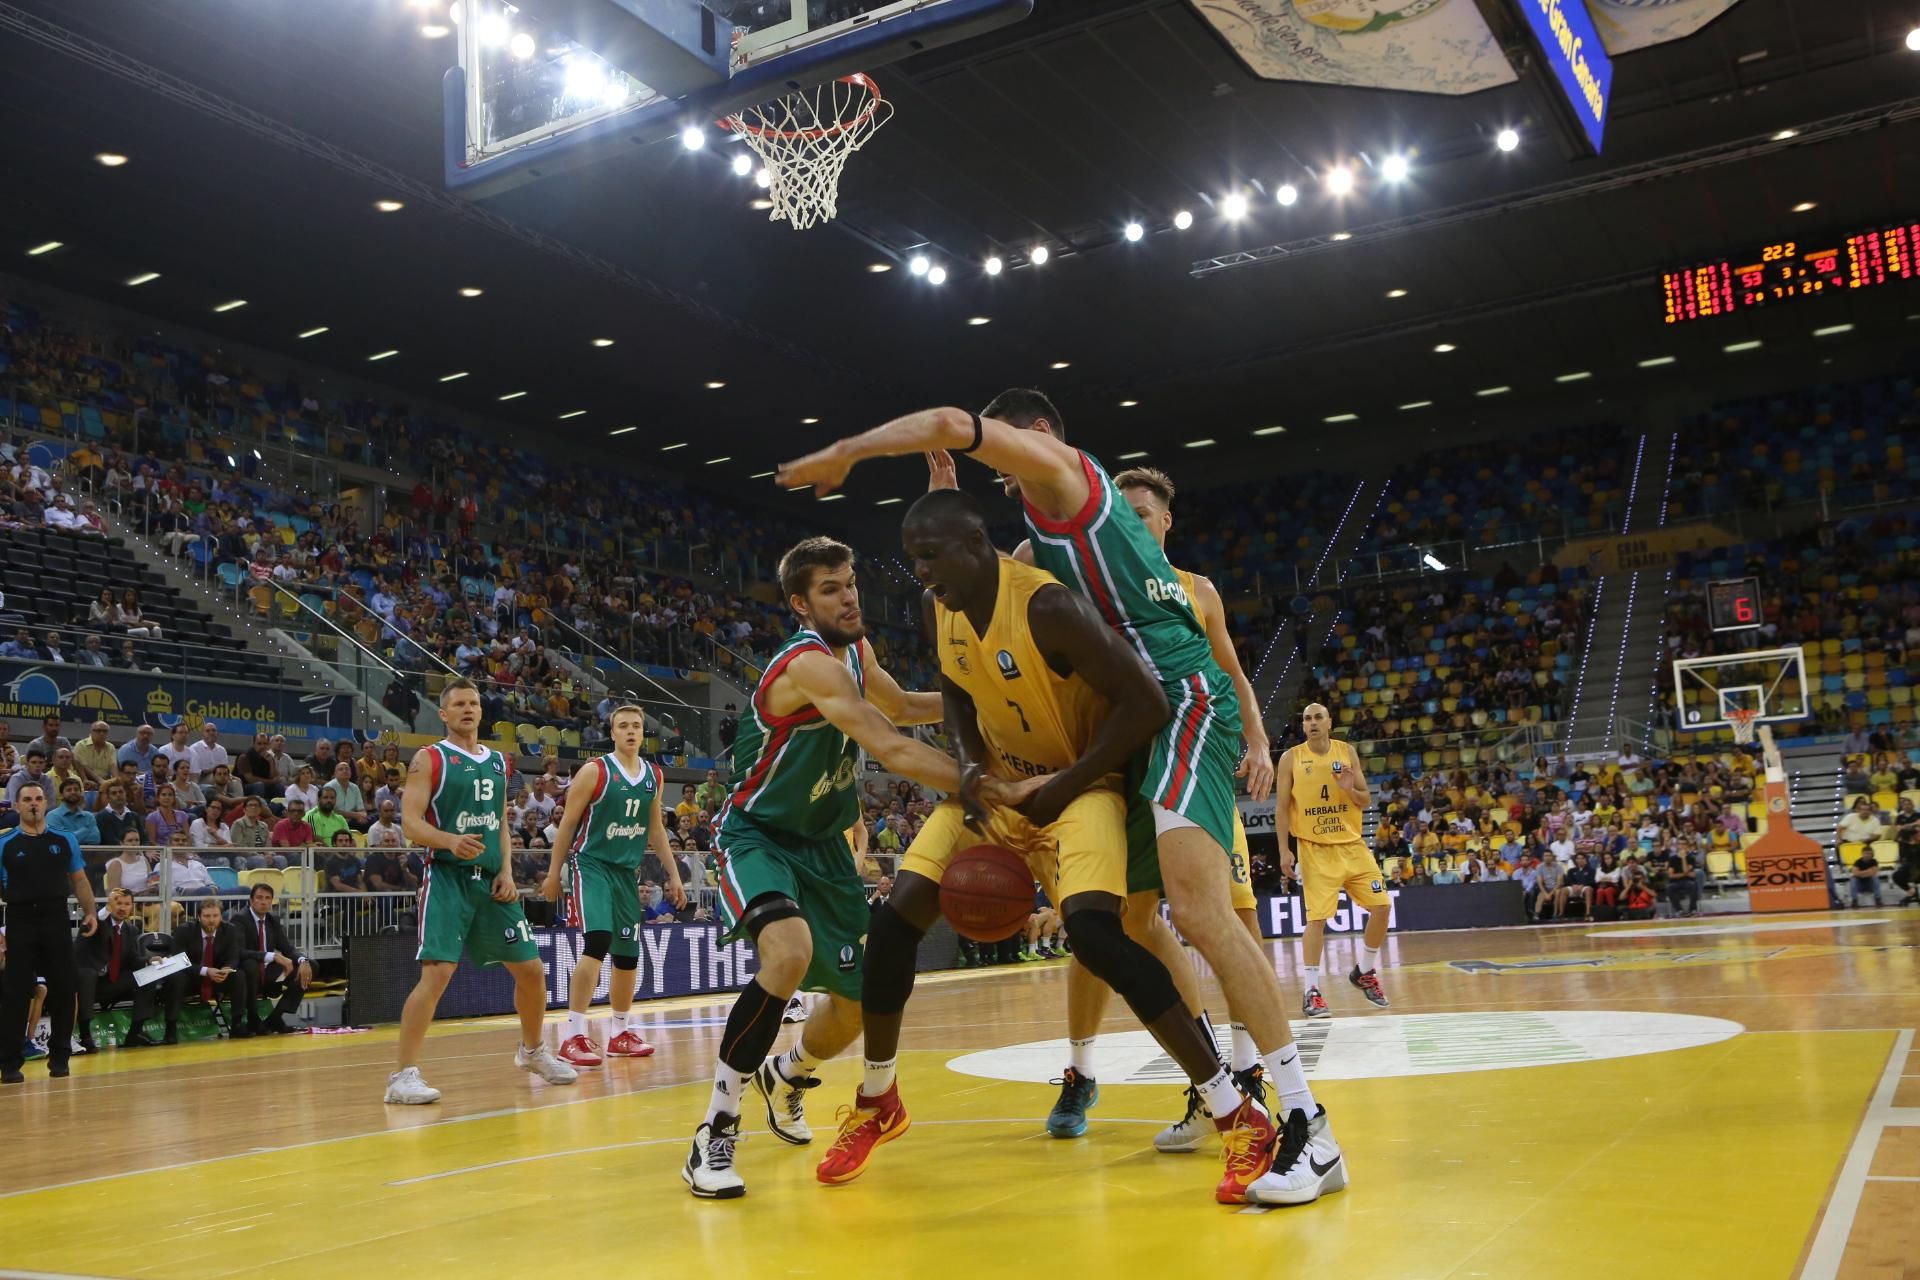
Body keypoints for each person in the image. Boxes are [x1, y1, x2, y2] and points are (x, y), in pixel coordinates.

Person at [778, 390, 1337, 1207]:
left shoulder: (1065, 486)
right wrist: (976, 771)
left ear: (1034, 437)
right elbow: (963, 659)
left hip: (1170, 707)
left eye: (1006, 453)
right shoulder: (1016, 553)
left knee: (1187, 914)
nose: (1001, 473)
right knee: (1136, 920)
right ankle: (1220, 1098)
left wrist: (847, 453)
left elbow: (950, 425)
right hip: (1055, 759)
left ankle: (1293, 1119)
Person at [849, 491, 1277, 1203]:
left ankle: (1235, 1110)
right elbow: (957, 692)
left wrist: (1061, 785)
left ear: (976, 546)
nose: (919, 572)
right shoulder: (939, 605)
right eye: (913, 559)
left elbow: (1147, 703)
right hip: (998, 786)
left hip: (1081, 787)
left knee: (1101, 936)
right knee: (895, 919)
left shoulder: (1048, 606)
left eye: (930, 556)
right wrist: (970, 765)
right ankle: (877, 1099)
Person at [681, 536, 959, 1200]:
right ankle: (716, 1128)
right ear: (802, 604)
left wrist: (980, 700)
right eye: (831, 589)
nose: (849, 597)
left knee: (861, 1001)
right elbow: (891, 746)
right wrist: (991, 786)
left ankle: (788, 1074)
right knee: (788, 955)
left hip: (825, 844)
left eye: (851, 582)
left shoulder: (857, 651)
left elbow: (904, 708)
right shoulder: (807, 665)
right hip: (759, 834)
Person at [1062, 465, 1276, 1154]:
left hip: (1196, 755)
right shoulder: (1095, 591)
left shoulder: (1198, 590)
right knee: (1132, 920)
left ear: (1166, 522)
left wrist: (1259, 742)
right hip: (1134, 767)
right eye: (1122, 514)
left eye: (1144, 514)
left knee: (1230, 915)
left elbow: (1233, 674)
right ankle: (1211, 1080)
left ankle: (1252, 1071)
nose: (1133, 524)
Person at [385, 678, 577, 1105]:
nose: (468, 709)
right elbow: (411, 823)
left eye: (473, 702)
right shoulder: (429, 758)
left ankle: (532, 1052)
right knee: (436, 975)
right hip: (448, 877)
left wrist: (506, 871)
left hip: (491, 882)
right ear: (444, 713)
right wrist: (449, 840)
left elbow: (500, 824)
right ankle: (401, 1076)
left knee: (532, 971)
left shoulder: (496, 761)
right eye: (459, 704)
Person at [542, 704, 686, 1067]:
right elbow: (567, 824)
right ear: (612, 733)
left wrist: (673, 874)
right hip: (591, 864)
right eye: (623, 726)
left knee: (627, 954)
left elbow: (656, 829)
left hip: (625, 872)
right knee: (598, 942)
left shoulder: (654, 775)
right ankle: (573, 1034)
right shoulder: (595, 771)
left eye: (636, 725)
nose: (631, 731)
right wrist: (553, 873)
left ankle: (620, 1032)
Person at [1276, 702, 1392, 1020]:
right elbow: (1282, 808)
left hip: (1353, 846)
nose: (1312, 723)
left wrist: (1348, 789)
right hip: (1315, 849)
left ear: (1329, 722)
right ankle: (1311, 991)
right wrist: (1284, 849)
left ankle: (1364, 972)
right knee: (1316, 920)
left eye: (1318, 718)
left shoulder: (1347, 752)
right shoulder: (1290, 758)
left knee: (1383, 907)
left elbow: (1365, 799)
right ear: (1303, 726)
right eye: (1307, 719)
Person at [0, 780, 98, 1083]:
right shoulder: (4, 842)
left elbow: (79, 879)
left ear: (46, 803)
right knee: (16, 992)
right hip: (20, 919)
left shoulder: (65, 839)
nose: (33, 803)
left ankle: (60, 1058)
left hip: (56, 917)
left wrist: (91, 911)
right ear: (17, 805)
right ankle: (10, 1063)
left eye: (38, 798)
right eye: (27, 799)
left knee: (65, 988)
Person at [75, 888, 163, 1050]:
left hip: (114, 981)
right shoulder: (96, 923)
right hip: (91, 981)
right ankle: (85, 1036)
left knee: (147, 976)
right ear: (109, 905)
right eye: (118, 903)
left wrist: (149, 961)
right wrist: (104, 911)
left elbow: (132, 959)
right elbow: (97, 919)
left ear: (132, 906)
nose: (122, 908)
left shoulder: (131, 930)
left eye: (127, 904)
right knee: (88, 975)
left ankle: (135, 1033)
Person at [163, 898, 249, 1039]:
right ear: (199, 916)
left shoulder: (230, 930)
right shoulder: (184, 930)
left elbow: (234, 956)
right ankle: (170, 1029)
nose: (211, 920)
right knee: (176, 978)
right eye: (207, 916)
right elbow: (180, 961)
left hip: (217, 977)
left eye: (215, 916)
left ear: (221, 916)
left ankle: (237, 1024)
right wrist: (206, 971)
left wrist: (227, 969)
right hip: (192, 977)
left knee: (238, 975)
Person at [233, 883, 311, 1034]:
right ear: (251, 900)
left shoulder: (273, 920)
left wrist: (303, 961)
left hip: (269, 972)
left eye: (267, 898)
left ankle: (276, 1017)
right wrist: (272, 956)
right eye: (259, 897)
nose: (263, 902)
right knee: (250, 965)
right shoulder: (239, 919)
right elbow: (239, 952)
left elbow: (287, 948)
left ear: (271, 902)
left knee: (311, 966)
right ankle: (252, 1019)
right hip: (248, 972)